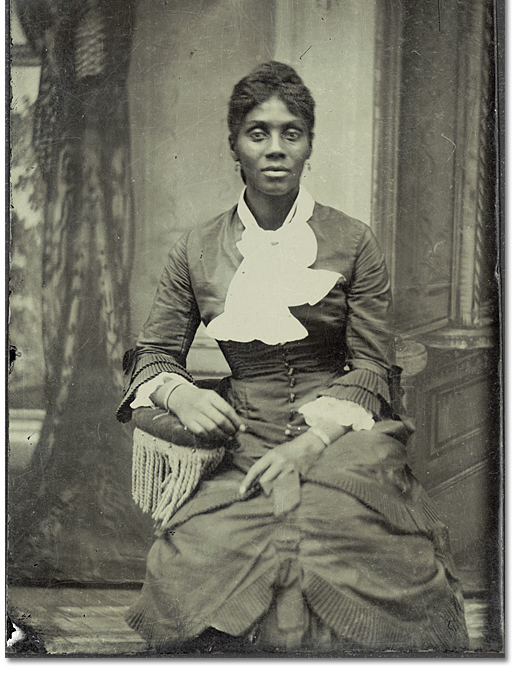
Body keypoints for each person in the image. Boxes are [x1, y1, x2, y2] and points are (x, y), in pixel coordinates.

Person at [117, 62, 469, 653]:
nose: (275, 149)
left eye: (291, 133)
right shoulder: (196, 249)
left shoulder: (353, 240)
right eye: (258, 133)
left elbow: (372, 365)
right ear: (235, 144)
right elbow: (154, 353)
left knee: (340, 527)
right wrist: (182, 392)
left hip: (341, 436)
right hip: (246, 437)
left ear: (309, 145)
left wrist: (308, 446)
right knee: (199, 552)